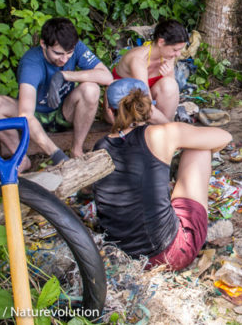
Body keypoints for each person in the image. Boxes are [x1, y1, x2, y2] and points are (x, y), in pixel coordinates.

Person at [92, 78, 231, 270]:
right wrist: (176, 143)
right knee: (199, 149)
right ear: (148, 107)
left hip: (122, 253)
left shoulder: (99, 146)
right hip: (169, 255)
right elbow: (224, 137)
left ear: (109, 110)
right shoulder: (160, 134)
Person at [0, 18, 113, 171]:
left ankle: (77, 150)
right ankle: (21, 159)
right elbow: (26, 115)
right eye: (58, 53)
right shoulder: (31, 63)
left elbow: (106, 76)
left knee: (91, 89)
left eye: (69, 53)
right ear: (43, 44)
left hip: (64, 114)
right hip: (35, 116)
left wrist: (65, 75)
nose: (64, 59)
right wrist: (56, 155)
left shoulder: (76, 48)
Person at [106, 19, 188, 124]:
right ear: (161, 42)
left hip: (146, 103)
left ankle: (161, 129)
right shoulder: (138, 60)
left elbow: (172, 94)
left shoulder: (168, 55)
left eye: (180, 49)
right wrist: (172, 128)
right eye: (175, 50)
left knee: (170, 84)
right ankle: (165, 129)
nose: (178, 54)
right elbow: (146, 105)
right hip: (123, 106)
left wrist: (170, 75)